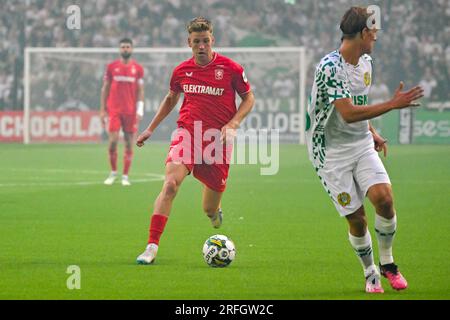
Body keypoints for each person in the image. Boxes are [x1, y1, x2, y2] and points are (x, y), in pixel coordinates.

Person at [305, 7, 424, 293]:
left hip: (359, 143)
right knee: (357, 219)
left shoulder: (366, 63)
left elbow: (358, 105)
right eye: (374, 32)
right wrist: (392, 105)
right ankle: (370, 271)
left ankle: (388, 264)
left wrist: (372, 132)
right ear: (362, 34)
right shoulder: (329, 67)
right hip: (330, 152)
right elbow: (346, 112)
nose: (376, 38)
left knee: (383, 198)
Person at [135, 17, 255, 264]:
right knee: (170, 185)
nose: (201, 46)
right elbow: (170, 99)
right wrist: (150, 129)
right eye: (196, 42)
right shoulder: (181, 71)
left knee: (209, 208)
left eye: (206, 41)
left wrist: (233, 124)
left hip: (216, 142)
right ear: (189, 42)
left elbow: (249, 98)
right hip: (187, 134)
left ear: (213, 40)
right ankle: (151, 247)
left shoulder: (231, 68)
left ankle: (214, 214)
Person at [100, 38, 145, 186]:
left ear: (131, 49)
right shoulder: (112, 67)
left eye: (127, 47)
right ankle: (113, 172)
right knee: (112, 141)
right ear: (120, 49)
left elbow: (140, 90)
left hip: (130, 111)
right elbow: (105, 88)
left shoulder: (138, 69)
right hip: (114, 110)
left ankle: (125, 175)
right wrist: (102, 110)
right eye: (123, 47)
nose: (125, 49)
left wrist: (140, 109)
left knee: (128, 143)